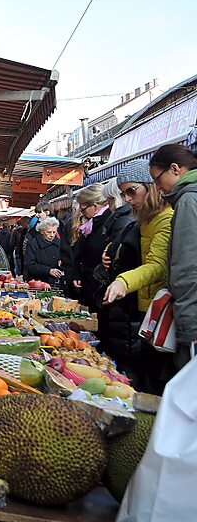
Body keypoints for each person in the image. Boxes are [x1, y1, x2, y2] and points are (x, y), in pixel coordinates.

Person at [102, 160, 173, 392]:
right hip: (140, 308)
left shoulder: (166, 218)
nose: (129, 199)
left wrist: (124, 281)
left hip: (158, 310)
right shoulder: (144, 219)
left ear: (150, 186)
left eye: (132, 191)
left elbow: (158, 266)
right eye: (124, 194)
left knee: (154, 377)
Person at [148, 144, 197, 370]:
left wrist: (188, 327)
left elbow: (187, 269)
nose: (157, 188)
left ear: (175, 169)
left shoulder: (188, 201)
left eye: (157, 180)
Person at [72, 184, 110, 311]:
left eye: (83, 209)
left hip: (98, 285)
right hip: (89, 282)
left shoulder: (107, 222)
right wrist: (77, 273)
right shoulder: (91, 225)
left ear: (95, 205)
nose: (82, 213)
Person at [24, 217, 63, 284]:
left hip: (55, 282)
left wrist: (62, 261)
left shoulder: (60, 243)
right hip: (37, 282)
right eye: (49, 232)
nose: (52, 235)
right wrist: (48, 270)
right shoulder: (33, 243)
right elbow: (29, 264)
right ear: (42, 231)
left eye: (54, 232)